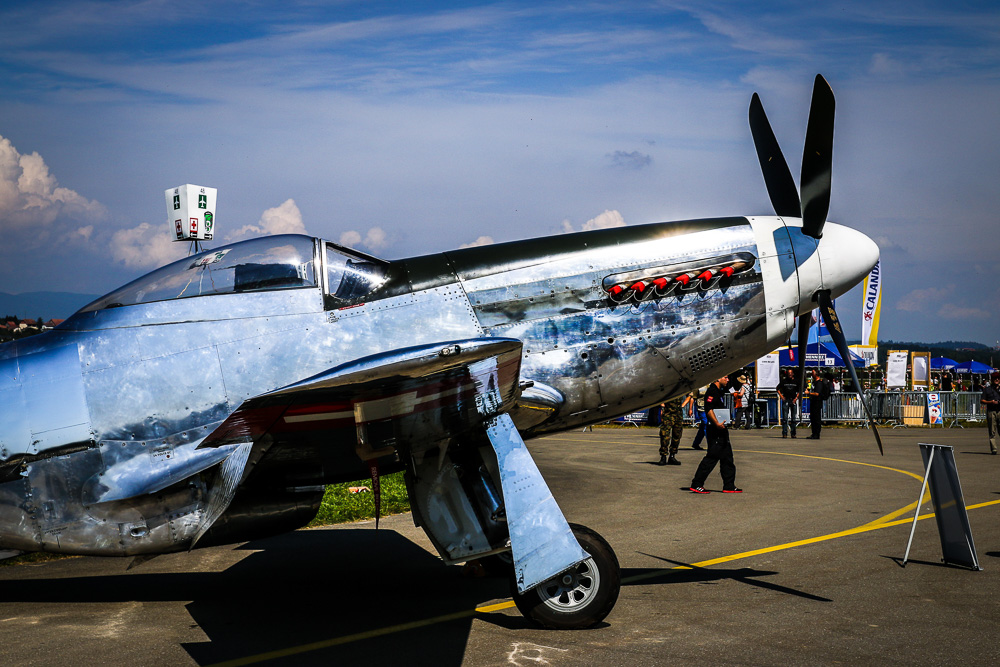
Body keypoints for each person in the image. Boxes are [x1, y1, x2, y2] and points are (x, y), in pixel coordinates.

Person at [689, 376, 741, 494]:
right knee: (712, 457)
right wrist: (716, 423)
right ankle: (697, 483)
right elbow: (708, 409)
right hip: (715, 429)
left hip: (721, 429)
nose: (728, 380)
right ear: (718, 379)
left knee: (727, 457)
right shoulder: (712, 391)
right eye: (726, 377)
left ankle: (729, 485)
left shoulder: (719, 391)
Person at [804, 369, 831, 439]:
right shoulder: (814, 382)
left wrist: (809, 393)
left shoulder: (819, 383)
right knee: (813, 418)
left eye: (813, 373)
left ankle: (817, 434)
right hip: (813, 402)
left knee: (816, 418)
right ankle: (813, 433)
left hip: (817, 402)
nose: (811, 374)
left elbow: (817, 393)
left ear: (816, 374)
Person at [980, 372, 1000, 455]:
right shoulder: (987, 389)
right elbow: (982, 400)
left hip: (999, 410)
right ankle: (994, 449)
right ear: (992, 380)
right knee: (992, 431)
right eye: (995, 378)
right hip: (991, 411)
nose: (997, 380)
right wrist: (990, 402)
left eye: (998, 378)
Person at [777, 369, 799, 438]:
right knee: (785, 418)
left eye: (790, 373)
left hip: (793, 400)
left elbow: (799, 390)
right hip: (786, 400)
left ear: (792, 374)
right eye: (788, 373)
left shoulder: (796, 381)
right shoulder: (784, 381)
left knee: (793, 419)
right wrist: (781, 396)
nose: (789, 374)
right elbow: (777, 388)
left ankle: (793, 433)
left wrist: (796, 398)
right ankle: (784, 433)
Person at [690, 385, 709, 450]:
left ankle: (696, 443)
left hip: (709, 407)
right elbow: (693, 398)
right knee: (706, 424)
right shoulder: (698, 385)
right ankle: (710, 444)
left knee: (703, 427)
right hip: (701, 408)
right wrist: (690, 409)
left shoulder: (710, 384)